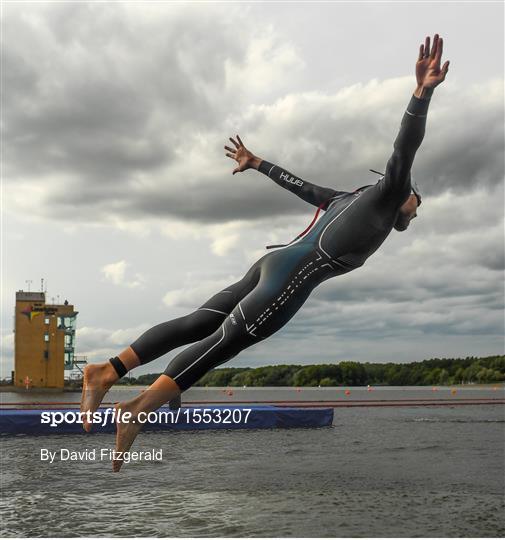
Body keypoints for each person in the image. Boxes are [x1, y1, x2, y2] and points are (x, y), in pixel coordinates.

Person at [80, 34, 449, 471]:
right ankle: (137, 409)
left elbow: (300, 185)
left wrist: (257, 163)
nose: (415, 208)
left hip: (270, 264)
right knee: (221, 344)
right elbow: (403, 148)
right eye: (416, 201)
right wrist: (421, 92)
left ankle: (108, 370)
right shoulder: (387, 195)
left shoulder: (342, 199)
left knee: (198, 322)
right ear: (400, 191)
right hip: (289, 277)